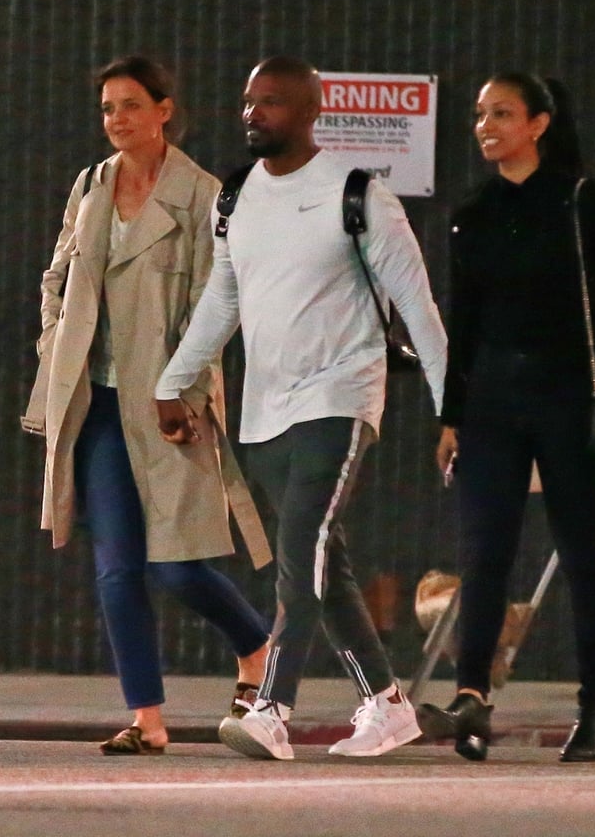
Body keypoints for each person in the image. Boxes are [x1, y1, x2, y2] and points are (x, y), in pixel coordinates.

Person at [155, 55, 447, 760]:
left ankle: (271, 707)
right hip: (263, 412)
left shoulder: (359, 195)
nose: (253, 113)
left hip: (339, 397)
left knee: (300, 551)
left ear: (312, 112)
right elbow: (222, 300)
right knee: (324, 562)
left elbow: (416, 306)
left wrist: (452, 410)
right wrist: (173, 381)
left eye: (273, 102)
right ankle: (387, 705)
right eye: (249, 100)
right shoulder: (236, 198)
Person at [416, 72, 595, 763]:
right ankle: (472, 700)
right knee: (482, 557)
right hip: (491, 406)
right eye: (478, 115)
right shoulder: (474, 210)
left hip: (565, 403)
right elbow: (462, 324)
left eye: (502, 113)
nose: (485, 126)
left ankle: (592, 711)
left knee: (582, 556)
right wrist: (450, 416)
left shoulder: (582, 202)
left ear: (539, 124)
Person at [30, 55, 270, 755]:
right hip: (96, 401)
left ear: (165, 109)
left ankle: (255, 645)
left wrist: (184, 390)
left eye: (131, 104)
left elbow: (213, 304)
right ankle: (147, 718)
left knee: (176, 563)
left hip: (170, 401)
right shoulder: (90, 185)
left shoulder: (203, 196)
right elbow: (57, 276)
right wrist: (56, 343)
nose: (117, 120)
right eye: (108, 107)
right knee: (116, 566)